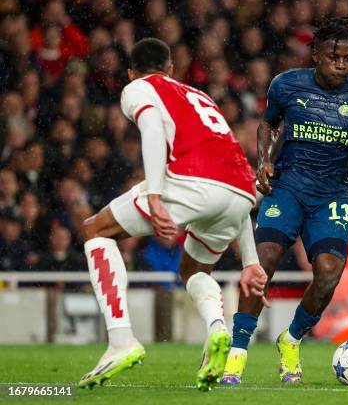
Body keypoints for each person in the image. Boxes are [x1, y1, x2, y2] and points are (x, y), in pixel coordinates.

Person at [77, 38, 267, 391]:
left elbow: (150, 128)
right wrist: (250, 262)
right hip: (243, 192)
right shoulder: (200, 97)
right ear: (171, 70)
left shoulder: (139, 87)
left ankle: (121, 341)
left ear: (132, 73)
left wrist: (153, 195)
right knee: (193, 269)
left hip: (189, 182)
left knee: (95, 230)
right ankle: (216, 328)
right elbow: (231, 176)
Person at [221, 18, 348, 385]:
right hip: (288, 188)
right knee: (263, 263)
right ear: (315, 54)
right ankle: (237, 353)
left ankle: (291, 339)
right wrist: (265, 158)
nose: (341, 64)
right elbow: (267, 124)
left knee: (329, 274)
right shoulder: (286, 84)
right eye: (333, 57)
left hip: (331, 195)